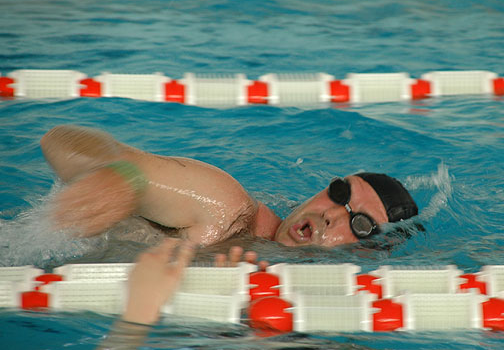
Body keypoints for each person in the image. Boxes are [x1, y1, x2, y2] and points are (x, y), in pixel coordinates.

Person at [41, 125, 418, 250]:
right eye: (338, 194)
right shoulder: (226, 210)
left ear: (370, 254)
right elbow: (60, 140)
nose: (330, 213)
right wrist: (122, 177)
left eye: (361, 225)